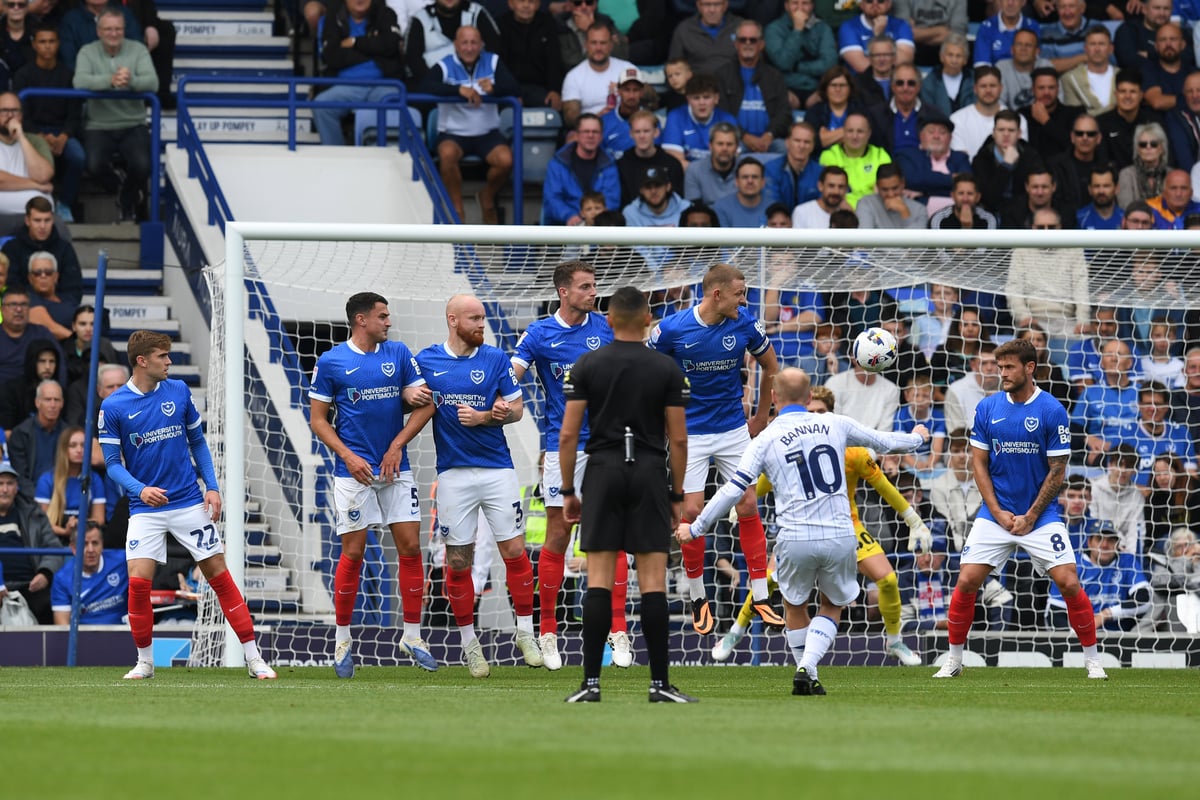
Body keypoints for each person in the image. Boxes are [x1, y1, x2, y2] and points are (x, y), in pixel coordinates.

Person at [683, 367, 928, 695]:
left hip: (794, 538)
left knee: (793, 605)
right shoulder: (835, 423)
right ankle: (807, 667)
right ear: (809, 396)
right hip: (841, 534)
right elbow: (885, 442)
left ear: (773, 398)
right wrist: (919, 437)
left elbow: (733, 489)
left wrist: (697, 527)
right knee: (831, 604)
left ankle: (805, 669)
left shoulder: (765, 438)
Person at [99, 330, 277, 680]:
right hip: (145, 508)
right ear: (142, 360)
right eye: (163, 356)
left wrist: (212, 487)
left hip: (187, 503)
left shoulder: (178, 392)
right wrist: (141, 489)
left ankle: (254, 658)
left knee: (219, 577)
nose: (169, 361)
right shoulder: (114, 406)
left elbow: (198, 443)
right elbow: (112, 463)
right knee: (138, 584)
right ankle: (145, 662)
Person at [932, 338, 1108, 681]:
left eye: (1009, 367)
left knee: (1069, 582)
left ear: (1030, 368)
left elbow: (1058, 470)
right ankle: (953, 660)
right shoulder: (987, 408)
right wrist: (997, 513)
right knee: (966, 580)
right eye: (999, 368)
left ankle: (1092, 659)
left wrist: (1030, 516)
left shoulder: (1052, 410)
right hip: (996, 514)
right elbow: (978, 465)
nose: (1002, 374)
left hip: (1040, 516)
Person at [558, 285, 692, 703]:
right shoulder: (666, 369)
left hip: (603, 470)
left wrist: (568, 490)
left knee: (598, 578)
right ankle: (659, 685)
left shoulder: (587, 364)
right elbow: (680, 439)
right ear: (648, 320)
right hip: (649, 471)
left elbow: (567, 435)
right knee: (653, 581)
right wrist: (676, 494)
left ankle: (591, 685)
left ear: (610, 320)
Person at [410, 295, 543, 677]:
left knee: (515, 551)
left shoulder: (496, 359)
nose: (482, 325)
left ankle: (525, 632)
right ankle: (470, 643)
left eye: (483, 318)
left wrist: (489, 415)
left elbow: (515, 409)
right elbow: (411, 398)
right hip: (452, 475)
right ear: (453, 320)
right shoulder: (427, 361)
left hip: (497, 469)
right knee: (456, 561)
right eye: (474, 318)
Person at [308, 292, 437, 678]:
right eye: (383, 316)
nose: (389, 322)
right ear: (361, 320)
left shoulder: (397, 353)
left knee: (411, 547)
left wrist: (397, 444)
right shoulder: (331, 361)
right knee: (354, 553)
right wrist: (348, 456)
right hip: (355, 473)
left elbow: (426, 403)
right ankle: (343, 640)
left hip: (395, 468)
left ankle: (412, 636)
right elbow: (318, 420)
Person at [648, 263, 782, 635]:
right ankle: (697, 596)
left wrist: (760, 416)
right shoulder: (672, 329)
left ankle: (760, 596)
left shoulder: (745, 324)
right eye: (740, 293)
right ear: (716, 293)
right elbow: (646, 370)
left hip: (732, 430)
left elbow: (770, 366)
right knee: (691, 511)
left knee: (748, 504)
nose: (745, 299)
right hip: (690, 433)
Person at [510, 261, 620, 672]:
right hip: (563, 449)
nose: (594, 292)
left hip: (609, 445)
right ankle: (549, 631)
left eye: (595, 285)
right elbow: (512, 372)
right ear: (563, 292)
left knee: (610, 536)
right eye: (586, 287)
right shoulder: (539, 333)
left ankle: (616, 630)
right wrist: (502, 397)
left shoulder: (606, 327)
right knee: (558, 536)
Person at [419, 24, 517, 224]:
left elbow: (515, 88)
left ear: (481, 44)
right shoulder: (445, 64)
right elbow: (425, 85)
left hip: (487, 133)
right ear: (456, 45)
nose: (469, 47)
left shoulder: (493, 61)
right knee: (446, 155)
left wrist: (494, 89)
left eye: (474, 42)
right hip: (453, 134)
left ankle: (487, 197)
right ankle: (457, 211)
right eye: (464, 42)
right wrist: (457, 91)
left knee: (506, 160)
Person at [72, 8, 157, 222]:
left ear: (124, 30)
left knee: (143, 165)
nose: (113, 33)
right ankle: (124, 189)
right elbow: (79, 81)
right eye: (108, 28)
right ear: (99, 31)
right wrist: (110, 81)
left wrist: (131, 82)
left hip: (133, 123)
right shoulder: (87, 51)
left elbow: (152, 83)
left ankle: (126, 197)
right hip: (98, 124)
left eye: (118, 28)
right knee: (93, 165)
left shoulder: (138, 49)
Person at [11, 23, 84, 222]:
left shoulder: (68, 75)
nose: (47, 46)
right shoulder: (23, 75)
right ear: (34, 45)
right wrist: (42, 137)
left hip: (62, 133)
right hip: (33, 133)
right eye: (42, 42)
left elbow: (74, 114)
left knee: (77, 156)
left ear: (58, 44)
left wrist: (64, 136)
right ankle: (33, 205)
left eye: (52, 41)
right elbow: (20, 114)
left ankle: (65, 204)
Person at [1046, 520, 1152, 631]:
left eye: (1110, 540)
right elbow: (1054, 611)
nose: (1105, 545)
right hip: (1078, 637)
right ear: (1090, 542)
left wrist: (1105, 615)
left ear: (1117, 544)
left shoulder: (1127, 562)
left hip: (1120, 637)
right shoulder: (1071, 565)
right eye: (1099, 539)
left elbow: (1144, 601)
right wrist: (1078, 636)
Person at [716, 19, 791, 154]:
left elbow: (784, 113)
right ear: (736, 44)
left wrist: (770, 135)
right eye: (743, 40)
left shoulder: (775, 76)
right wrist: (743, 136)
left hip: (770, 140)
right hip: (736, 139)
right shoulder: (722, 74)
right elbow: (721, 113)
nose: (748, 44)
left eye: (753, 40)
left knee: (787, 149)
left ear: (761, 44)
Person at [0, 460, 61, 623]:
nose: (4, 489)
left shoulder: (34, 515)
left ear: (16, 488)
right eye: (0, 484)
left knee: (50, 604)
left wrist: (45, 574)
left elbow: (54, 548)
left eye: (10, 483)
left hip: (30, 585)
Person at [1, 196, 81, 307]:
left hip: (59, 310)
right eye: (37, 220)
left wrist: (56, 307)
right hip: (22, 310)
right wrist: (36, 304)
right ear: (27, 221)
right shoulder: (12, 248)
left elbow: (73, 290)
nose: (43, 226)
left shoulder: (65, 249)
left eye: (47, 220)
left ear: (53, 220)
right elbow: (9, 285)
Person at [542, 113, 620, 225]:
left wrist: (594, 217)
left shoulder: (608, 164)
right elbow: (552, 198)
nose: (590, 136)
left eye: (595, 132)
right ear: (577, 135)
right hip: (564, 227)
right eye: (586, 131)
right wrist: (569, 216)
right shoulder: (558, 163)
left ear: (601, 136)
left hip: (599, 226)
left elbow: (612, 199)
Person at [35, 424, 103, 545]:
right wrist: (65, 531)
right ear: (63, 449)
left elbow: (99, 519)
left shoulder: (95, 479)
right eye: (73, 445)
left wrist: (79, 524)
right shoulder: (46, 480)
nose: (79, 450)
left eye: (83, 445)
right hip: (53, 539)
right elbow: (42, 522)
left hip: (85, 537)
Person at [559, 21, 634, 129]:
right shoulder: (574, 76)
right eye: (594, 43)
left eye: (603, 43)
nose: (598, 48)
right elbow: (570, 117)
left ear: (611, 46)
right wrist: (597, 118)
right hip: (590, 130)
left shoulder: (627, 69)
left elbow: (651, 100)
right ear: (586, 45)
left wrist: (625, 91)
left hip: (626, 126)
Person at [764, 0, 837, 109]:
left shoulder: (823, 28)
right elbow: (783, 62)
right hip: (786, 86)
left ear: (812, 6)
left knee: (825, 100)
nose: (800, 8)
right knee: (785, 100)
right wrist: (797, 30)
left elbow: (829, 64)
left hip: (817, 87)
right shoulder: (774, 29)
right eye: (795, 3)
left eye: (805, 3)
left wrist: (797, 66)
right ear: (786, 6)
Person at [50, 520, 126, 624]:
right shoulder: (62, 578)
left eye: (95, 543)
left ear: (102, 545)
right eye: (84, 544)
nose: (90, 549)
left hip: (123, 635)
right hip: (84, 638)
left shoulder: (123, 561)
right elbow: (62, 627)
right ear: (73, 548)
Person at [495, 0, 565, 111]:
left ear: (538, 5)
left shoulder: (548, 23)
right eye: (521, 1)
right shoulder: (500, 24)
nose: (526, 5)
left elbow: (554, 61)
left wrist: (555, 91)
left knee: (551, 106)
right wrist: (510, 90)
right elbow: (499, 63)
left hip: (540, 88)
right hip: (510, 88)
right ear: (511, 4)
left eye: (531, 1)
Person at [661, 73, 739, 167]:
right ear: (688, 99)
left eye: (706, 97)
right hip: (687, 178)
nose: (702, 103)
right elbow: (676, 163)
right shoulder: (675, 117)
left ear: (716, 98)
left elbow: (732, 160)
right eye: (696, 98)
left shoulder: (728, 120)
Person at [0, 90, 54, 225]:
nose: (10, 116)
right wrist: (35, 185)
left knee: (60, 230)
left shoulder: (35, 141)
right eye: (4, 111)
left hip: (37, 221)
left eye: (15, 111)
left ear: (22, 116)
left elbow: (43, 176)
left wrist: (21, 137)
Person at [817, 111, 891, 208]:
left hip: (874, 212)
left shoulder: (880, 155)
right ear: (843, 132)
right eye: (850, 131)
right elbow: (833, 194)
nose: (855, 136)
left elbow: (886, 191)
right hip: (840, 213)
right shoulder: (830, 156)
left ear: (869, 134)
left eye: (860, 131)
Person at [949, 66, 1025, 160]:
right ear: (975, 89)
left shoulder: (1019, 119)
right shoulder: (957, 120)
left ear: (1001, 88)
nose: (988, 90)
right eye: (983, 86)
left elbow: (1021, 154)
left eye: (993, 86)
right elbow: (959, 160)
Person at [7, 378, 65, 496]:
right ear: (37, 403)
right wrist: (40, 499)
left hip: (62, 497)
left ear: (62, 403)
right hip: (30, 501)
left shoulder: (68, 434)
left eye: (56, 400)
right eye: (48, 400)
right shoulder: (20, 434)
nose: (53, 405)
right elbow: (20, 476)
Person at [615, 109, 684, 207]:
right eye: (637, 132)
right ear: (631, 134)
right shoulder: (621, 165)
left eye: (646, 131)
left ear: (656, 132)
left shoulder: (672, 164)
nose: (642, 136)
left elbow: (678, 201)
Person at [1019, 67, 1084, 162]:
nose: (1046, 92)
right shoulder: (1022, 115)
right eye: (1041, 88)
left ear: (1058, 88)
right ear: (1033, 89)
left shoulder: (1074, 114)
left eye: (1051, 87)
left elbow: (1075, 146)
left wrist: (1046, 121)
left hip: (1065, 171)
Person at [0, 285, 61, 386]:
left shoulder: (42, 334)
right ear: (2, 309)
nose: (19, 309)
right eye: (13, 304)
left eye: (24, 305)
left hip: (36, 395)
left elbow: (60, 365)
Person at [837, 0, 914, 74]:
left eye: (880, 1)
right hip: (860, 82)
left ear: (888, 4)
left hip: (894, 82)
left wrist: (880, 35)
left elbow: (905, 62)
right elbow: (862, 67)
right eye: (869, 1)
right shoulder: (849, 27)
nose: (875, 4)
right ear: (862, 5)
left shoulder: (901, 25)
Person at [942, 342, 999, 441]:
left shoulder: (1012, 388)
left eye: (994, 363)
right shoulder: (956, 390)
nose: (989, 368)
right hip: (968, 450)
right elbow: (957, 434)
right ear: (973, 366)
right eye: (983, 363)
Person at [668, 0, 742, 78]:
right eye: (706, 4)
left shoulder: (742, 27)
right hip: (697, 86)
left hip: (735, 85)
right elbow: (673, 67)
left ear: (725, 5)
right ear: (698, 6)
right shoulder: (684, 30)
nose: (712, 10)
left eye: (717, 4)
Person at [762, 120, 821, 210]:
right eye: (797, 141)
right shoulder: (770, 169)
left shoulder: (821, 173)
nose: (801, 146)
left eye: (807, 142)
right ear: (787, 143)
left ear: (813, 146)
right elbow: (772, 205)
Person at [1059, 25, 1116, 115]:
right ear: (1085, 48)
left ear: (1111, 49)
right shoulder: (1070, 79)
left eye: (1102, 44)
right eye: (1092, 44)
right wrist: (1111, 109)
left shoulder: (1122, 76)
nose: (1097, 49)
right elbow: (1075, 117)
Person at [59, 304, 117, 388]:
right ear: (74, 326)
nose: (88, 329)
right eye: (82, 324)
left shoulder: (107, 348)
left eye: (93, 324)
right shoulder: (62, 350)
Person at [681, 122, 740, 204]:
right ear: (710, 146)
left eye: (729, 144)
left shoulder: (746, 169)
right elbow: (694, 210)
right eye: (720, 144)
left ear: (737, 147)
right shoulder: (694, 170)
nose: (724, 149)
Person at [853, 162, 927, 228]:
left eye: (895, 188)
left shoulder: (920, 210)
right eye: (884, 189)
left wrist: (904, 212)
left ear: (903, 183)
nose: (890, 194)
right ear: (877, 187)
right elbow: (864, 239)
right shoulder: (866, 204)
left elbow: (916, 242)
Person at [1116, 122, 1168, 209]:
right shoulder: (1126, 174)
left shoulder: (1172, 175)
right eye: (1143, 144)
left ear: (1162, 148)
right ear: (1138, 149)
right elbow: (1126, 207)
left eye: (1154, 144)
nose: (1148, 147)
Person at [972, 0, 1040, 67]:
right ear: (999, 1)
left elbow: (1033, 64)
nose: (1010, 3)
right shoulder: (986, 28)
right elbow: (982, 66)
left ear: (1023, 2)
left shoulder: (1032, 26)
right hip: (994, 76)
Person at [996, 28, 1050, 111]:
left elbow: (1056, 101)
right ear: (1012, 50)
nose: (1023, 48)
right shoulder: (1001, 67)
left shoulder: (1046, 66)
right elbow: (998, 104)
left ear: (1037, 51)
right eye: (1019, 44)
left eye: (1028, 45)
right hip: (1010, 120)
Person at [1140, 23, 1188, 114]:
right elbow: (1157, 102)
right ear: (1156, 46)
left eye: (1173, 39)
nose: (1168, 44)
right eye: (1163, 40)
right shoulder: (1148, 70)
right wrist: (1192, 99)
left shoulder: (1193, 73)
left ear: (1183, 44)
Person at [712, 157, 769, 227]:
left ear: (763, 182)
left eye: (755, 177)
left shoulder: (774, 208)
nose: (750, 181)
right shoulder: (721, 208)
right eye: (745, 177)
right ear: (737, 182)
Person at [928, 172, 998, 230]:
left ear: (978, 197)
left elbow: (986, 247)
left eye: (970, 194)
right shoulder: (939, 218)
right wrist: (965, 228)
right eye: (961, 193)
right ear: (953, 196)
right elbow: (939, 246)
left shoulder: (988, 219)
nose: (965, 199)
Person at [1075, 165, 1122, 230]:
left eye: (1106, 186)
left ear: (1116, 189)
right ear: (1089, 189)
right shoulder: (1079, 218)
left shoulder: (1125, 218)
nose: (1101, 191)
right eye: (1096, 186)